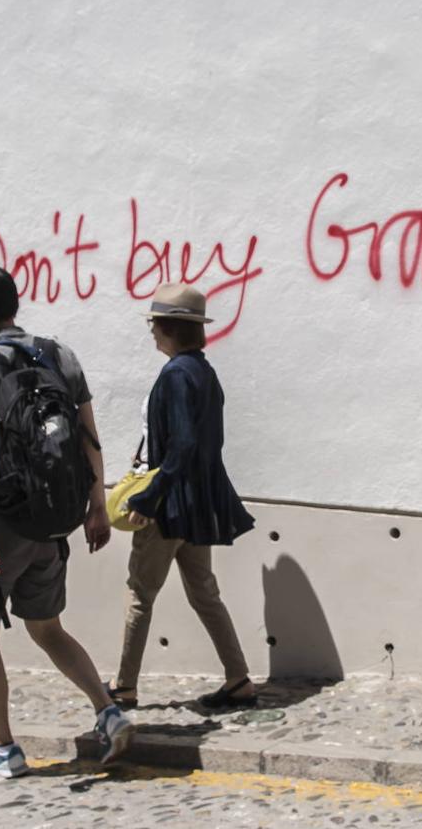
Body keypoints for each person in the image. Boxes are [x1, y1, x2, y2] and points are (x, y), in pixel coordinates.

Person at [0, 265, 133, 778]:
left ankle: (3, 749)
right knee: (47, 627)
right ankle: (108, 712)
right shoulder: (60, 354)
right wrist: (96, 506)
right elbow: (90, 439)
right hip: (55, 522)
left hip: (2, 524)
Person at [107, 283, 258, 710]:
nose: (152, 332)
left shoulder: (175, 374)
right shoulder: (203, 371)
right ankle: (238, 678)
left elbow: (183, 444)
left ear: (169, 328)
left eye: (155, 324)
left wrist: (149, 497)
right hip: (197, 505)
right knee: (205, 593)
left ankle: (124, 687)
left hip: (169, 507)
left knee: (139, 594)